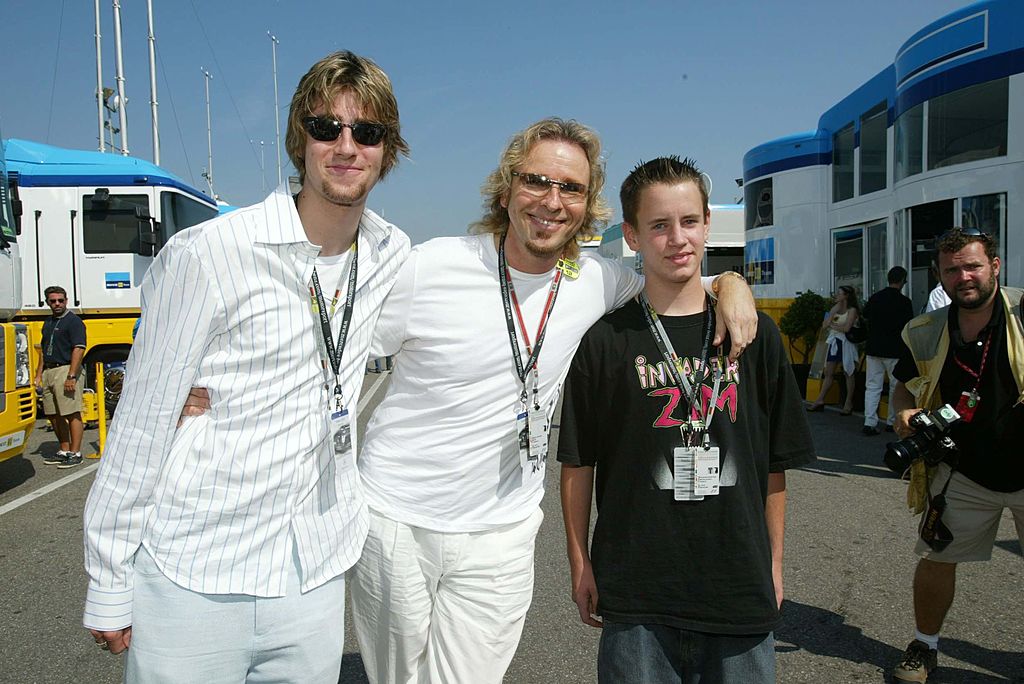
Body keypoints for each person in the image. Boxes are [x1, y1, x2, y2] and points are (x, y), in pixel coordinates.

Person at [347, 119, 759, 683]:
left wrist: (731, 282)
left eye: (570, 187)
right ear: (506, 187)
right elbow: (338, 350)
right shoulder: (430, 266)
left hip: (503, 530)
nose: (551, 201)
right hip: (396, 519)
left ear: (588, 205)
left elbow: (676, 274)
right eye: (536, 180)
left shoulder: (595, 279)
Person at [82, 50, 412, 683]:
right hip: (194, 573)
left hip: (311, 574)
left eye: (366, 132)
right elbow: (143, 420)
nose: (346, 146)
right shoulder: (208, 254)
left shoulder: (389, 253)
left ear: (385, 149)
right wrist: (109, 577)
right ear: (300, 138)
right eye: (327, 127)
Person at [557, 156, 815, 683]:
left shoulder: (756, 336)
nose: (677, 239)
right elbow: (579, 462)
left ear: (707, 225)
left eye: (689, 222)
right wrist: (580, 561)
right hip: (637, 595)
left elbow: (773, 465)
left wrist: (774, 562)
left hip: (737, 588)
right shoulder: (606, 341)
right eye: (659, 225)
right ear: (631, 235)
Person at [889, 227, 1024, 683]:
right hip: (962, 470)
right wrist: (905, 415)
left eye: (973, 266)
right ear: (939, 276)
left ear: (995, 267)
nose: (964, 276)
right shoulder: (926, 331)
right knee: (936, 558)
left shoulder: (1023, 313)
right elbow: (904, 387)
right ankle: (924, 646)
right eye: (952, 270)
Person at [34, 285, 87, 468]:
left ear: (66, 300)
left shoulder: (74, 322)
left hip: (65, 369)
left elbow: (78, 348)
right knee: (53, 414)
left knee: (71, 412)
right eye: (53, 301)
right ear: (47, 302)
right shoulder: (47, 322)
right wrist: (38, 375)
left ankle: (75, 452)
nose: (57, 304)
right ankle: (64, 450)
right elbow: (43, 351)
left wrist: (71, 376)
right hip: (49, 371)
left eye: (60, 300)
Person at [861, 267, 914, 435]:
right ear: (902, 281)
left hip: (874, 348)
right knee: (894, 386)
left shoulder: (875, 298)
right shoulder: (905, 302)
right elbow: (909, 326)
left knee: (872, 386)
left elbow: (865, 315)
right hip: (895, 350)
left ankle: (869, 422)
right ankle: (892, 422)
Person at [806, 285, 860, 415]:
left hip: (846, 343)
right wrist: (833, 323)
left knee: (848, 372)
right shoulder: (835, 308)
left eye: (839, 293)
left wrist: (832, 325)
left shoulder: (852, 310)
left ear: (846, 296)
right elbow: (825, 325)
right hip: (834, 341)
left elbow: (847, 328)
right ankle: (820, 400)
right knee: (829, 371)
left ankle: (848, 402)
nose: (837, 295)